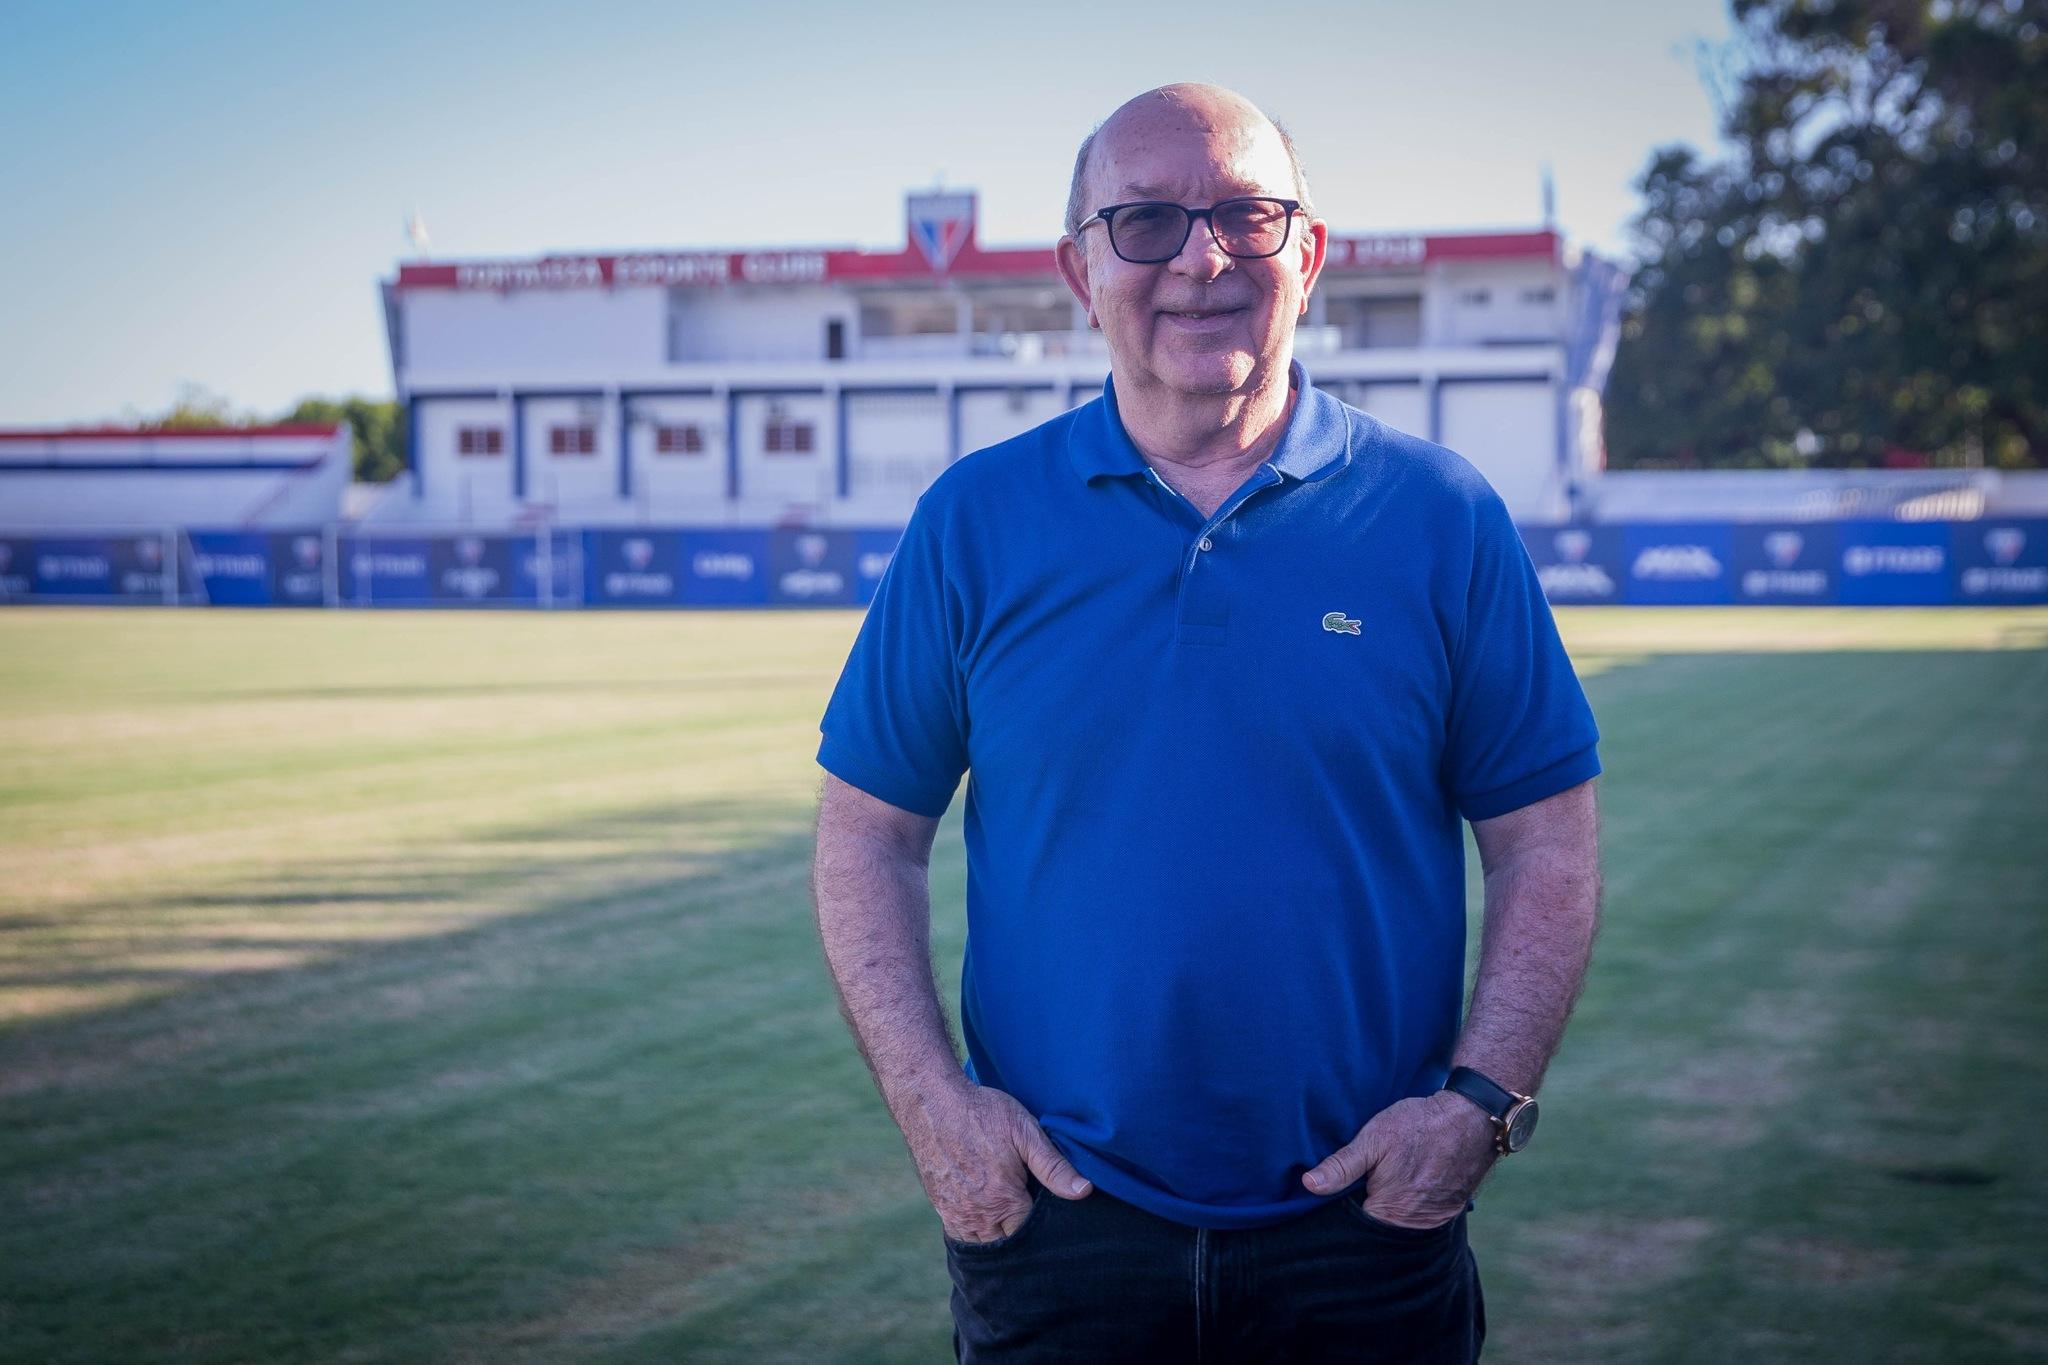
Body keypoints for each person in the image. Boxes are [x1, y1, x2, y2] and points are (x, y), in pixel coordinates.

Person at [811, 82, 1602, 1363]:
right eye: (1144, 223)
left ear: (1309, 253)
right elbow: (865, 837)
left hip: (1366, 1233)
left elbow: (1545, 843)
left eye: (1246, 214)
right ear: (1079, 269)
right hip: (1055, 1236)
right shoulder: (975, 521)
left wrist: (1475, 1108)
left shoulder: (1441, 517)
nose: (1200, 257)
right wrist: (932, 1111)